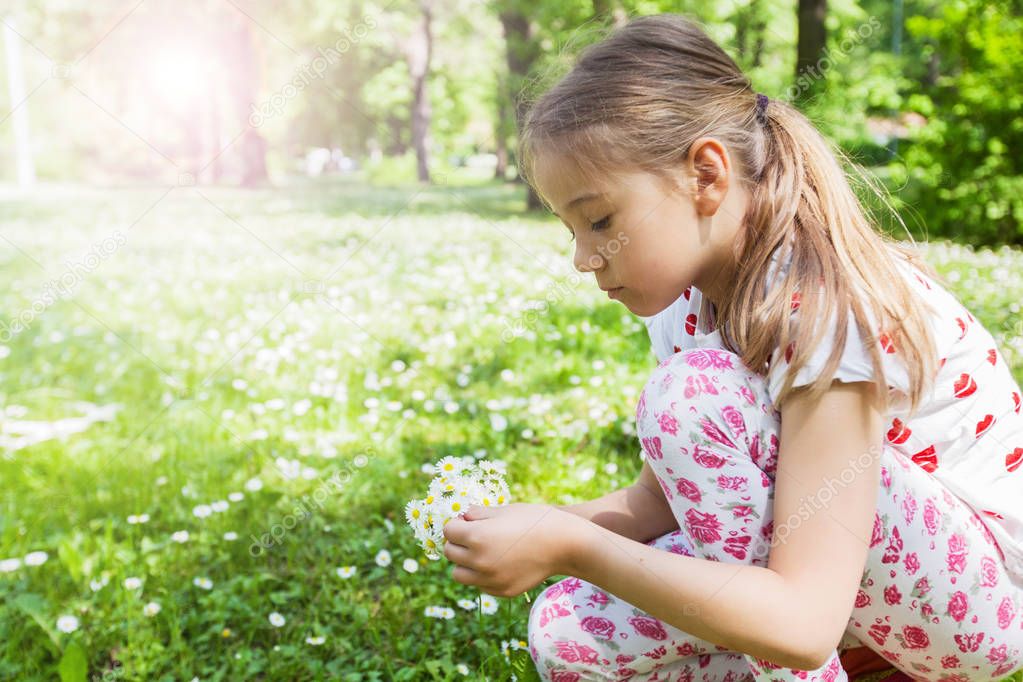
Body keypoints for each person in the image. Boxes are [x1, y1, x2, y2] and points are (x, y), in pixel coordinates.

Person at [440, 13, 1023, 682]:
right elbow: (653, 503)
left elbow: (801, 627)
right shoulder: (687, 305)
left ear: (705, 175)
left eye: (599, 219)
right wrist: (538, 527)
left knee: (691, 397)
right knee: (567, 630)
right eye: (569, 227)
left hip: (971, 606)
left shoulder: (817, 302)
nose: (582, 257)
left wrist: (576, 546)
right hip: (838, 581)